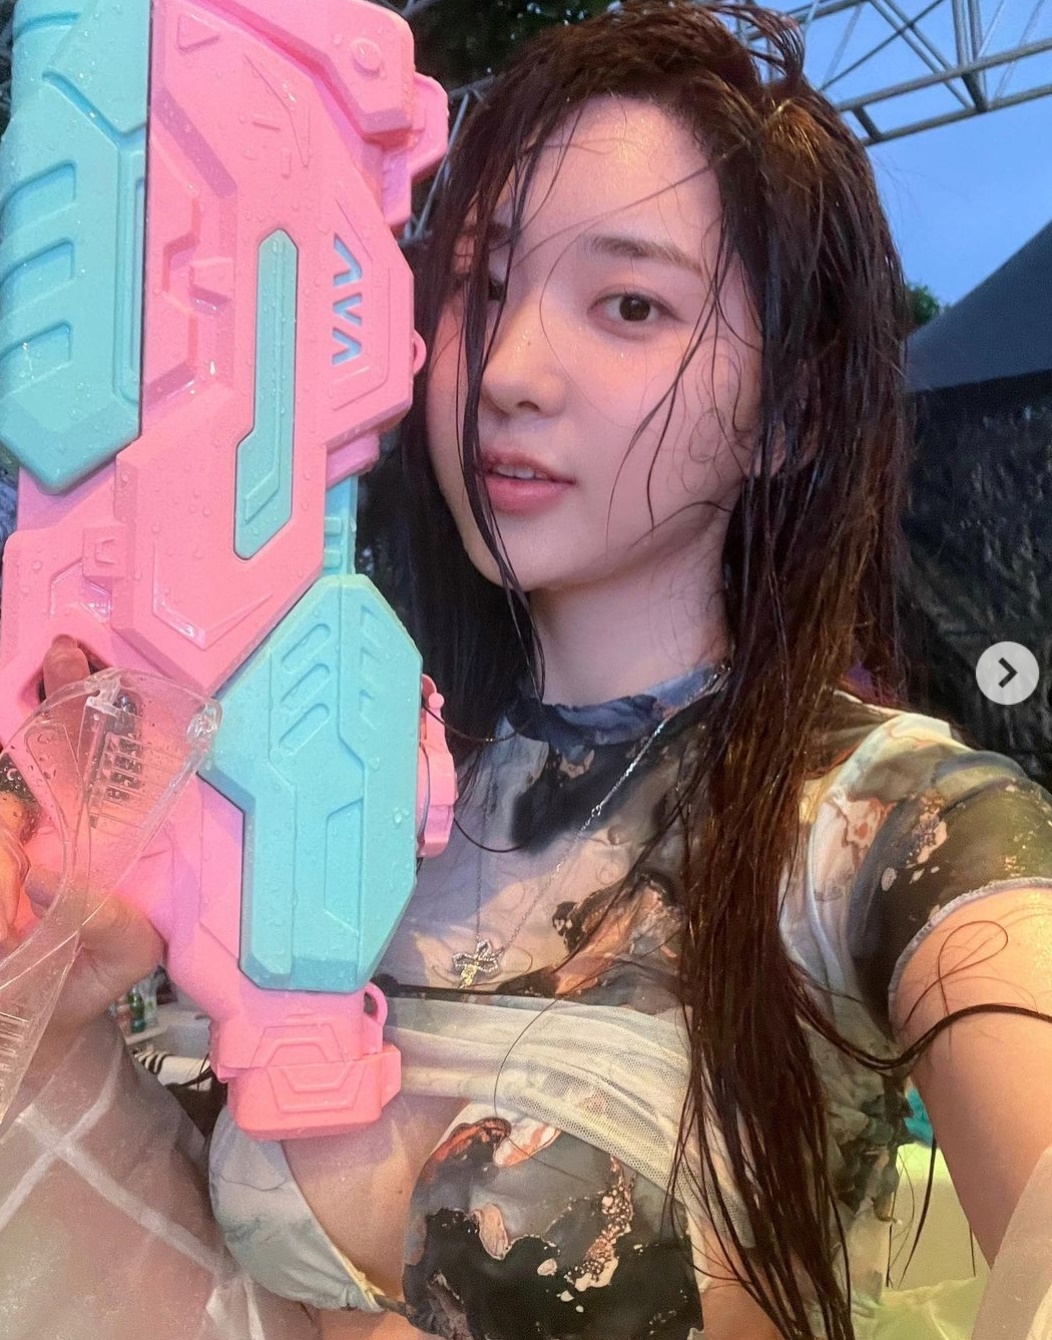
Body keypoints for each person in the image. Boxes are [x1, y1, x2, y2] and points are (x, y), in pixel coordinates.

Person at [2, 4, 1052, 1339]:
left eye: (630, 305)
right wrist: (59, 1006)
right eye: (483, 287)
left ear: (789, 410)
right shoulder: (337, 790)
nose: (507, 371)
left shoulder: (893, 824)